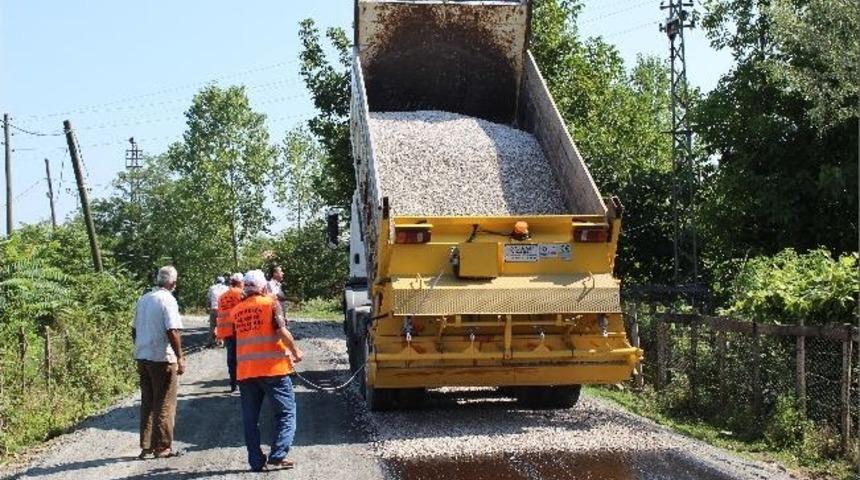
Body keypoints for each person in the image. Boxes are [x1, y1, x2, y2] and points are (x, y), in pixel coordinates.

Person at [230, 269, 303, 471]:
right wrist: (295, 350)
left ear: (245, 287)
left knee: (250, 419)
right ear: (262, 287)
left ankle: (255, 461)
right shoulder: (270, 304)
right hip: (273, 370)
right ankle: (278, 455)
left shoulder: (237, 311)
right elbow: (281, 330)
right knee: (286, 413)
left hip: (246, 372)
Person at [133, 265, 185, 460]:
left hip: (143, 356)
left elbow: (134, 330)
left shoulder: (144, 298)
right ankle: (162, 446)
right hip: (161, 358)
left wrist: (140, 347)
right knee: (164, 402)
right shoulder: (167, 300)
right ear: (173, 283)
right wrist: (180, 356)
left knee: (147, 401)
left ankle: (146, 446)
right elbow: (173, 330)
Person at [215, 273, 244, 393]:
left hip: (226, 331)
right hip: (240, 330)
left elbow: (220, 314)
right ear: (239, 282)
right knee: (242, 357)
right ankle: (242, 382)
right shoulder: (241, 294)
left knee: (231, 358)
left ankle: (233, 384)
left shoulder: (222, 297)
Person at [206, 276, 229, 345]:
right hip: (223, 310)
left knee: (212, 326)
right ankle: (221, 341)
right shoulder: (226, 288)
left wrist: (208, 307)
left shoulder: (212, 288)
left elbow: (208, 299)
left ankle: (210, 342)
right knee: (222, 326)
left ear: (216, 281)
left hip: (214, 309)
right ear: (223, 282)